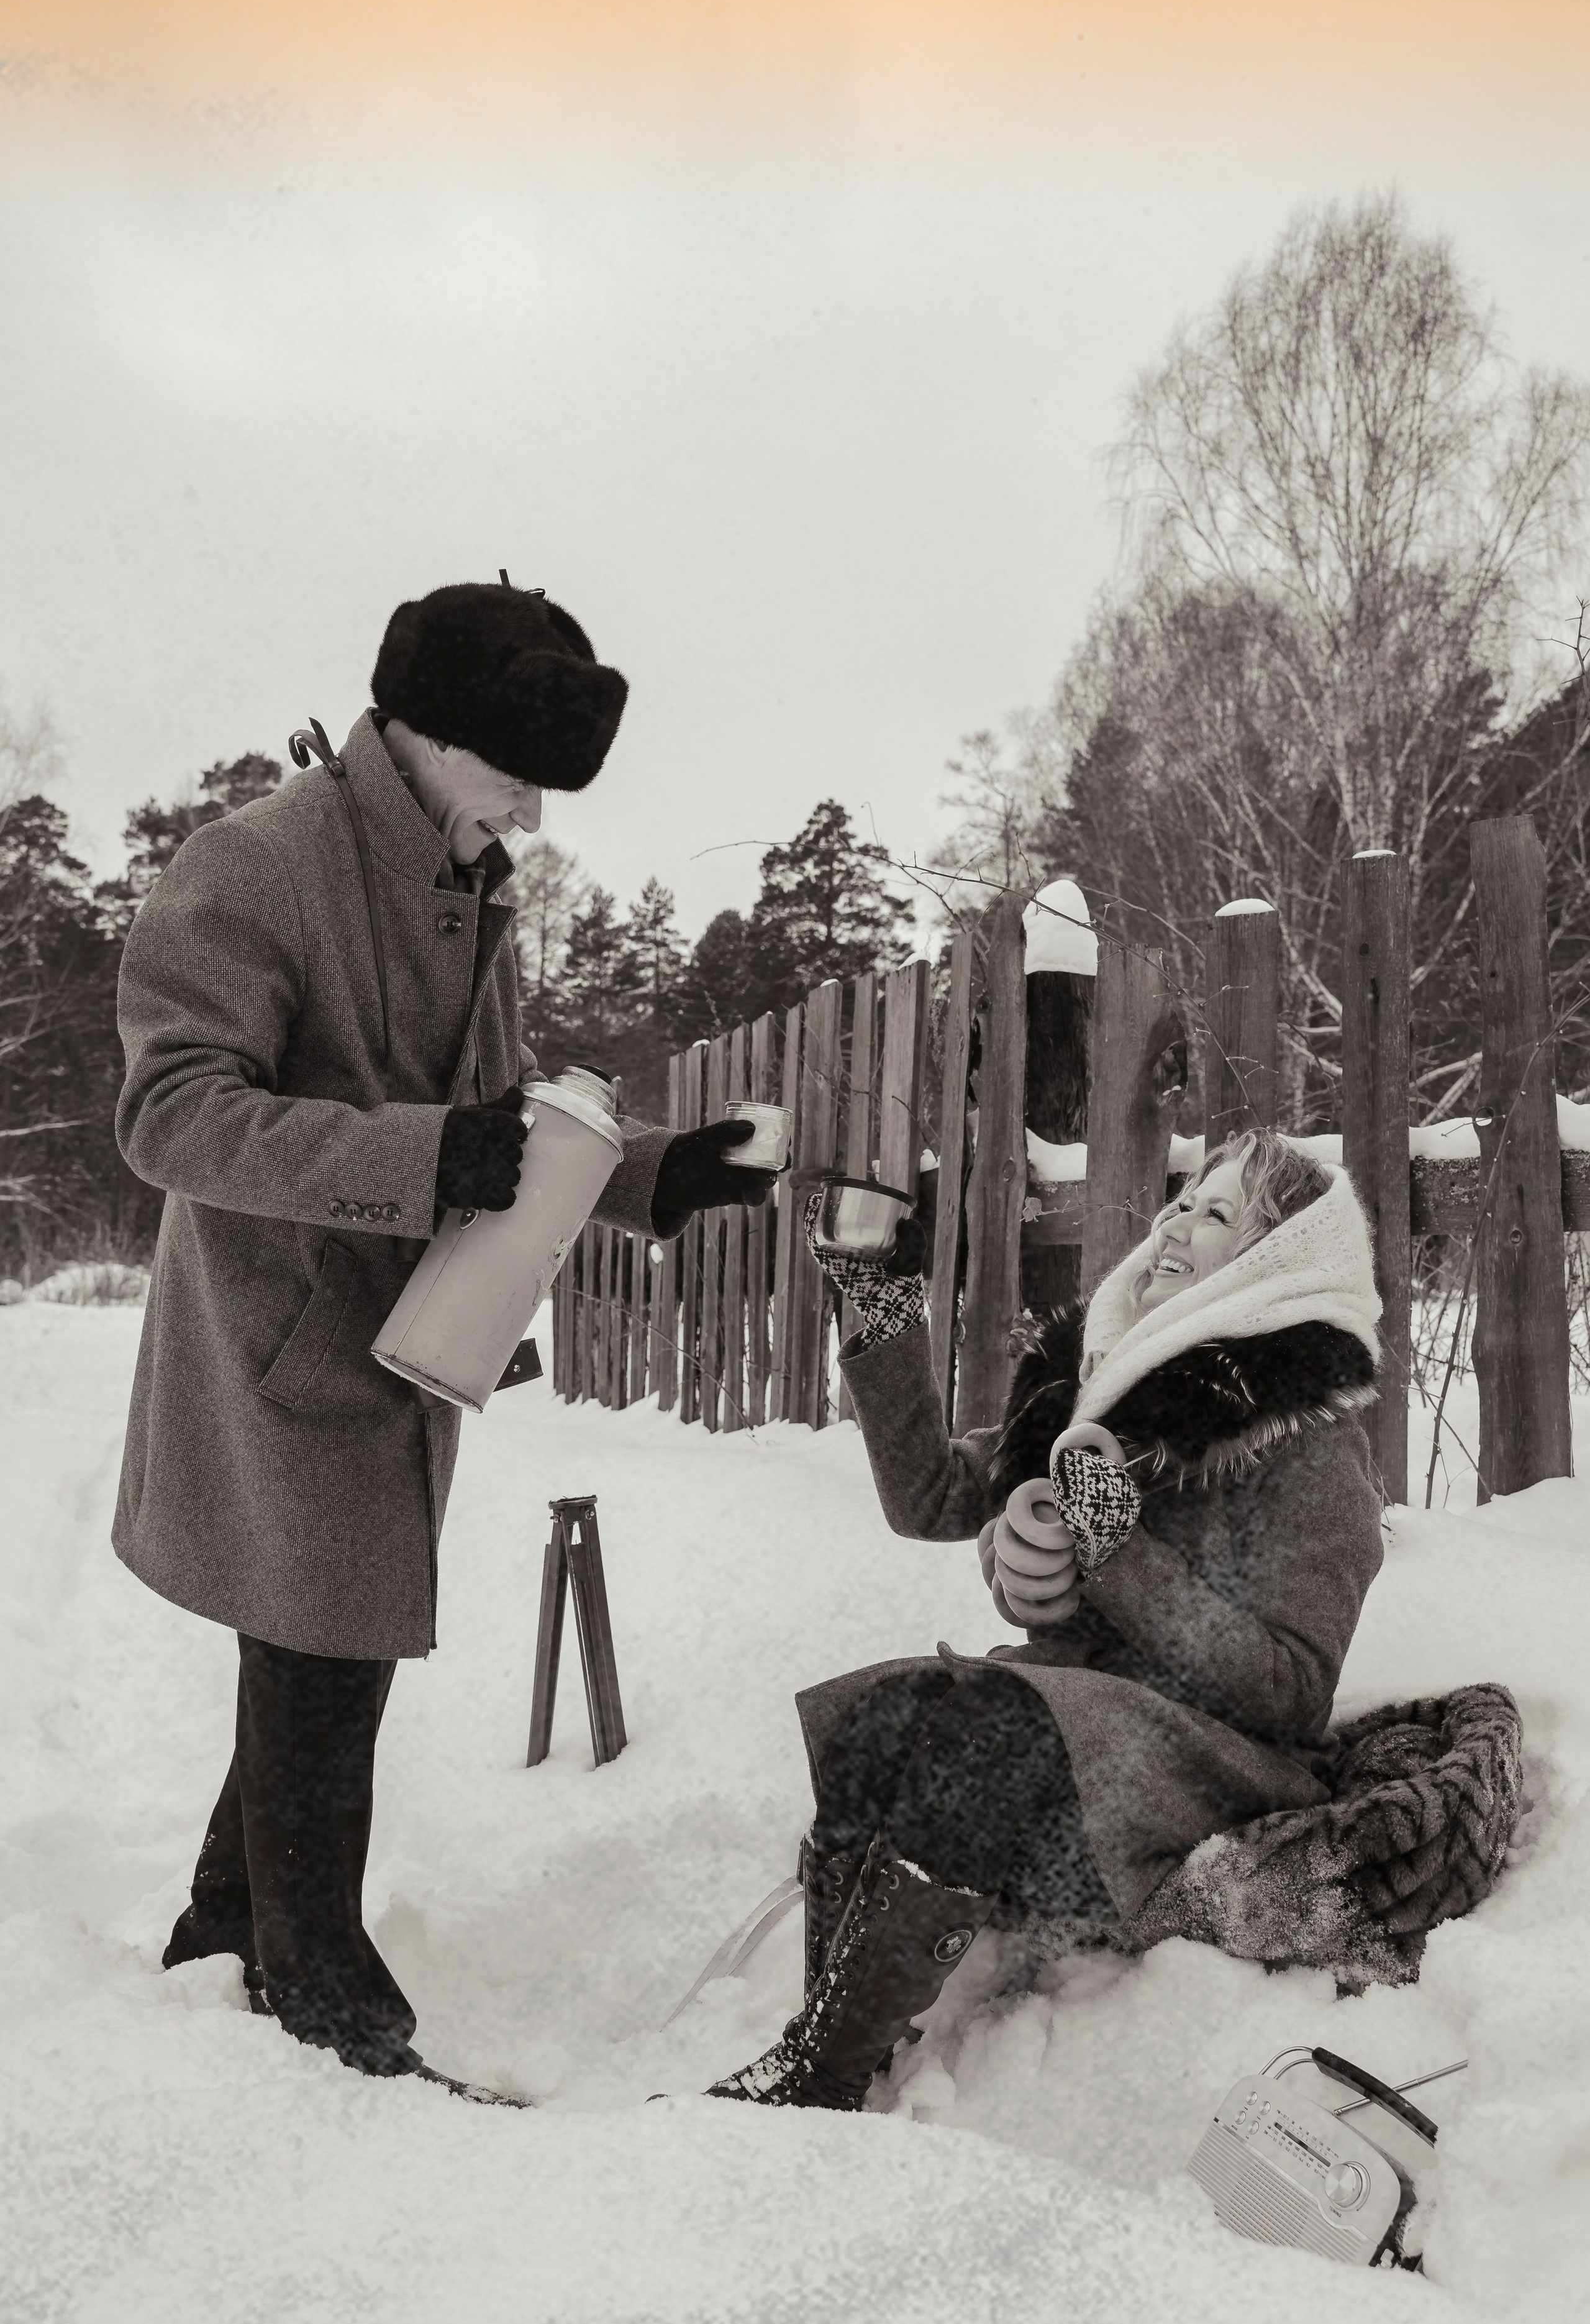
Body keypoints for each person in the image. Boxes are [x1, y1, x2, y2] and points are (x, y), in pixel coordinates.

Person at [115, 579, 766, 2095]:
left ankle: (226, 1931)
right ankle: (317, 1994)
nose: (526, 818)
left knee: (316, 1640)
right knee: (322, 1643)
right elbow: (170, 1116)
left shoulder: (462, 886)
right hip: (283, 1328)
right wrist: (419, 1157)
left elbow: (506, 1106)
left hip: (399, 1330)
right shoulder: (256, 865)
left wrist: (653, 1167)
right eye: (507, 779)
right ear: (412, 735)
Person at [708, 1129, 1386, 2109]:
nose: (1176, 1222)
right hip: (1070, 1737)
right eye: (1182, 1202)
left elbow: (1287, 1691)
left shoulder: (1309, 1445)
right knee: (884, 1719)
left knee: (974, 1720)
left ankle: (820, 2079)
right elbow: (929, 1495)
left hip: (1194, 1767)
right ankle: (823, 2051)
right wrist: (878, 1289)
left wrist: (1113, 1550)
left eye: (1218, 1216)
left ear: (1280, 1263)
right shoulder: (1096, 1393)